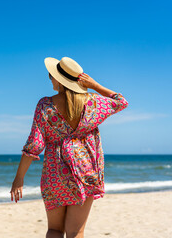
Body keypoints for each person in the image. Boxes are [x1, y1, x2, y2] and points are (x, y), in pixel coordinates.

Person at [10, 57, 129, 238]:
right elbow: (121, 101)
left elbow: (35, 144)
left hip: (55, 173)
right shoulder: (93, 103)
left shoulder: (45, 105)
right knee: (76, 232)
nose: (49, 78)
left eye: (51, 75)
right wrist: (95, 85)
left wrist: (19, 178)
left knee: (54, 230)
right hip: (86, 172)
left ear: (59, 79)